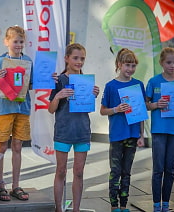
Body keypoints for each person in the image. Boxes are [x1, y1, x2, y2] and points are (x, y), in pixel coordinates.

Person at [48, 43, 100, 212]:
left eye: (82, 58)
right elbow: (51, 109)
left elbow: (87, 106)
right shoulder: (59, 80)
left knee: (78, 172)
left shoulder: (85, 82)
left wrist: (93, 95)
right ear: (67, 59)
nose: (79, 61)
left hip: (82, 131)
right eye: (75, 58)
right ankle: (58, 208)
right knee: (61, 171)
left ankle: (76, 209)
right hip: (63, 131)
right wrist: (58, 96)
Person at [145, 47, 174, 212]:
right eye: (169, 62)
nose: (172, 65)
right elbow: (145, 105)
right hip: (159, 129)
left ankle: (166, 204)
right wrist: (156, 105)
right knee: (158, 169)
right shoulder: (154, 81)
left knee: (170, 169)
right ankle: (156, 204)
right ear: (162, 63)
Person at [100, 48, 145, 212]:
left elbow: (141, 112)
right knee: (115, 171)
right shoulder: (111, 86)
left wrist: (142, 134)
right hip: (117, 135)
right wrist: (116, 109)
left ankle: (124, 204)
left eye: (133, 66)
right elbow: (103, 110)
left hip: (132, 135)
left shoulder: (138, 85)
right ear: (119, 64)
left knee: (127, 172)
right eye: (127, 65)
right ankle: (114, 205)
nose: (130, 69)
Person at [0, 26, 32, 201]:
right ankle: (0, 184)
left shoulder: (28, 60)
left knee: (17, 146)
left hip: (22, 108)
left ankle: (16, 185)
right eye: (15, 41)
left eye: (21, 42)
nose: (18, 44)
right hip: (4, 109)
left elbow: (30, 85)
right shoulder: (0, 61)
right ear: (6, 42)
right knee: (1, 146)